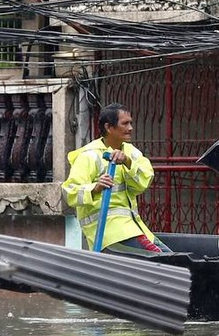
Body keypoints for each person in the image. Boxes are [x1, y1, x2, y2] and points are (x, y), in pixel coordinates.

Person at [62, 102, 169, 257]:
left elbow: (144, 182)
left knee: (172, 259)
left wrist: (127, 162)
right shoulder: (89, 156)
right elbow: (69, 192)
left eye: (131, 123)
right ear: (109, 127)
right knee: (167, 261)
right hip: (109, 232)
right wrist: (95, 188)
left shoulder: (131, 153)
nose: (130, 128)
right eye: (125, 123)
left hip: (132, 227)